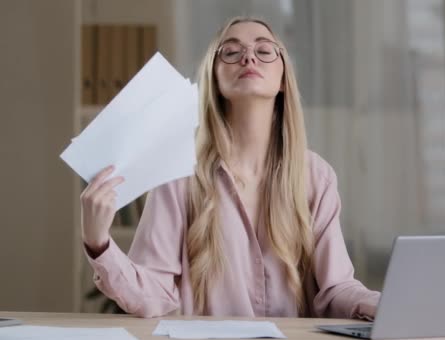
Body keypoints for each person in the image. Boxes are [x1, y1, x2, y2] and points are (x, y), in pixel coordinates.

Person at [80, 16, 380, 319]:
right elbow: (152, 294)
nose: (248, 56)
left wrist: (382, 304)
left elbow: (336, 288)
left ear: (283, 78)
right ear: (214, 78)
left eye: (264, 50)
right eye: (231, 52)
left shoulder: (317, 176)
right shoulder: (179, 176)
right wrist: (98, 244)